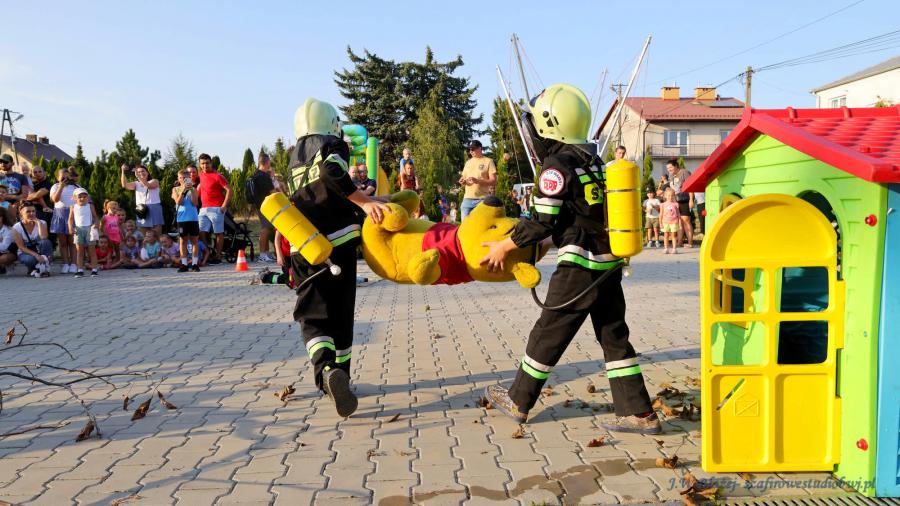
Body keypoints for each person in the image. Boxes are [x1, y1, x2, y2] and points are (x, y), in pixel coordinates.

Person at [480, 83, 658, 434]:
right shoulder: (595, 161)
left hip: (580, 266)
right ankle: (639, 413)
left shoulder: (556, 165)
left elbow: (541, 220)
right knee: (614, 337)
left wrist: (504, 246)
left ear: (550, 123)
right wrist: (549, 241)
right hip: (608, 264)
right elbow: (578, 215)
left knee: (548, 333)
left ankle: (518, 400)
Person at [288, 97, 389, 417]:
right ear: (332, 124)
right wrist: (365, 202)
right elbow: (331, 171)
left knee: (312, 315)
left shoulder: (294, 156)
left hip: (304, 245)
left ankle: (326, 371)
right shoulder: (332, 145)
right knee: (341, 312)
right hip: (340, 242)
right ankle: (342, 374)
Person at [197, 153, 232, 264]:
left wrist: (224, 206)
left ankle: (218, 256)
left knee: (218, 233)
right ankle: (207, 253)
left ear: (211, 163)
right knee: (201, 232)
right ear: (199, 164)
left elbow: (230, 190)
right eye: (202, 163)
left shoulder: (217, 176)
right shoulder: (200, 175)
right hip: (203, 209)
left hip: (216, 208)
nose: (205, 165)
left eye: (207, 163)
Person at [247, 152, 277, 263]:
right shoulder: (264, 176)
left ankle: (266, 253)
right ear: (266, 162)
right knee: (266, 229)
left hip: (259, 205)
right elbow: (273, 193)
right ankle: (262, 254)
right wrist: (273, 178)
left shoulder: (255, 175)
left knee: (267, 228)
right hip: (266, 206)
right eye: (269, 162)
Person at [120, 163, 164, 235]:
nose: (141, 173)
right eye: (139, 172)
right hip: (141, 209)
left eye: (143, 171)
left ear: (147, 172)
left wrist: (138, 177)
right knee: (144, 234)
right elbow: (124, 185)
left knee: (156, 233)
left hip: (154, 208)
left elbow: (148, 186)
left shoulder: (154, 181)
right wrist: (122, 171)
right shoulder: (136, 184)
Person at [50, 167, 79, 273]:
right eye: (62, 178)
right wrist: (61, 187)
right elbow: (55, 199)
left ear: (70, 177)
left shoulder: (76, 187)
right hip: (60, 214)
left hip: (72, 215)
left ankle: (74, 264)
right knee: (62, 242)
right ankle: (65, 263)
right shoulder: (55, 186)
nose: (65, 180)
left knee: (72, 242)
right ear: (58, 178)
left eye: (67, 177)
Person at [459, 140, 497, 220]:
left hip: (482, 200)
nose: (471, 151)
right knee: (465, 226)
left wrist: (477, 181)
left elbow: (494, 181)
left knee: (481, 225)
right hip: (467, 199)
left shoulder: (488, 161)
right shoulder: (468, 163)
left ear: (480, 148)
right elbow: (463, 178)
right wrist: (462, 181)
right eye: (470, 149)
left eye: (473, 149)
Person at [68, 187, 101, 277]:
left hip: (89, 229)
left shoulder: (90, 206)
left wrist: (96, 224)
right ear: (75, 198)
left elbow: (95, 216)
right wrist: (70, 227)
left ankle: (94, 269)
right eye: (79, 197)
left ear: (88, 198)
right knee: (80, 251)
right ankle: (80, 270)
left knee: (92, 251)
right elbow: (70, 219)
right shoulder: (73, 207)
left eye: (84, 196)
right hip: (78, 230)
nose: (82, 198)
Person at [172, 169, 201, 272]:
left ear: (189, 178)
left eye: (185, 178)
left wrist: (191, 190)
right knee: (183, 241)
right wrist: (184, 190)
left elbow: (194, 203)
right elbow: (178, 202)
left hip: (193, 218)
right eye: (181, 178)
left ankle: (194, 264)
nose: (183, 180)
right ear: (178, 179)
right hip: (182, 219)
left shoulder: (194, 189)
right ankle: (184, 264)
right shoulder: (175, 189)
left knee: (194, 241)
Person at [12, 204, 53, 277]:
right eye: (28, 212)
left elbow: (43, 237)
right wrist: (36, 255)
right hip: (25, 252)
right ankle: (34, 268)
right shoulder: (16, 227)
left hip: (39, 250)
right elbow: (21, 247)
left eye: (33, 211)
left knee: (46, 242)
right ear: (21, 213)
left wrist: (39, 223)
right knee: (30, 260)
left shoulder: (42, 223)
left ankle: (44, 266)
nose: (32, 213)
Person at [666, 159, 693, 248]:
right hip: (675, 201)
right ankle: (679, 242)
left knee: (686, 220)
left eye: (670, 167)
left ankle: (690, 243)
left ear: (676, 166)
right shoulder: (671, 175)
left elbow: (690, 186)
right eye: (667, 168)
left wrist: (691, 200)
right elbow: (672, 189)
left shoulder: (684, 172)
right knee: (678, 222)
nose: (669, 170)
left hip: (685, 199)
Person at [660, 189, 681, 254]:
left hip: (674, 222)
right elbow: (661, 214)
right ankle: (666, 248)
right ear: (665, 196)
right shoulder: (663, 204)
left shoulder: (676, 204)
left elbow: (678, 214)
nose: (670, 197)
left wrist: (680, 223)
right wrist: (660, 223)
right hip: (665, 222)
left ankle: (674, 249)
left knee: (674, 236)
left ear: (674, 196)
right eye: (668, 195)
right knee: (666, 235)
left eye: (672, 195)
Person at [0, 208, 16, 274]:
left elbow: (4, 247)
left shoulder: (9, 230)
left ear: (1, 218)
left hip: (8, 253)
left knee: (5, 258)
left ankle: (4, 265)